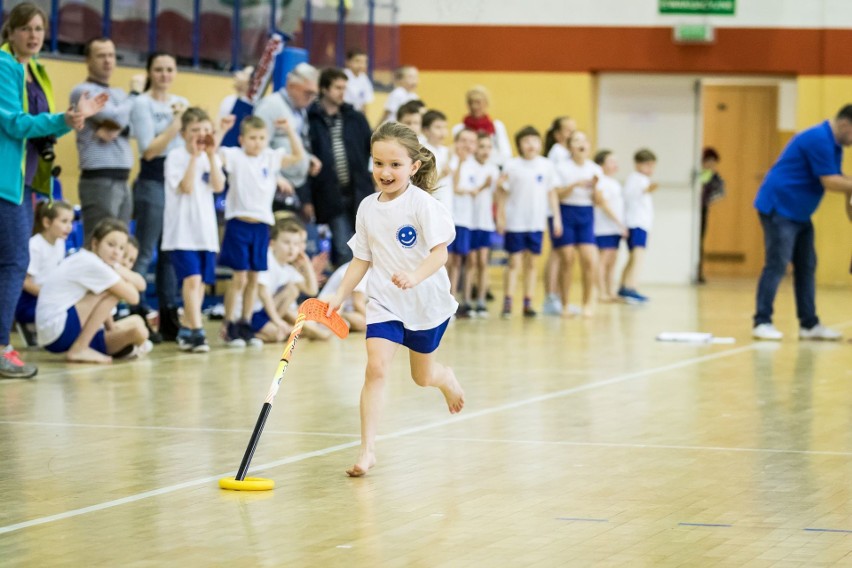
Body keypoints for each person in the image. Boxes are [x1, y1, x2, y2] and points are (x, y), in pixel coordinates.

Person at [326, 122, 465, 477]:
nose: (385, 172)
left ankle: (444, 378)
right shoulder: (368, 208)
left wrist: (415, 277)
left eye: (395, 165)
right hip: (385, 302)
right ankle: (367, 450)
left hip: (426, 303)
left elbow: (440, 255)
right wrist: (339, 295)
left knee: (422, 377)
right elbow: (361, 259)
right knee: (376, 368)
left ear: (413, 167)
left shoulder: (424, 205)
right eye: (378, 164)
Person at [0, 2, 106, 379]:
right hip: (3, 181)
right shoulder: (3, 66)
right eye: (25, 28)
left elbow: (40, 128)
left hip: (23, 181)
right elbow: (13, 123)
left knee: (10, 263)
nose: (33, 35)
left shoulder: (37, 71)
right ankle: (2, 347)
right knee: (13, 263)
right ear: (9, 31)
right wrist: (62, 118)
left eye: (39, 29)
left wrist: (71, 119)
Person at [751, 106, 852, 341]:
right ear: (846, 124)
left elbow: (839, 177)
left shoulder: (834, 144)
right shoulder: (819, 139)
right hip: (780, 208)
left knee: (807, 265)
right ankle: (762, 321)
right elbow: (829, 181)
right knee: (777, 264)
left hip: (799, 213)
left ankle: (809, 325)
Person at [218, 116, 305, 347]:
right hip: (239, 223)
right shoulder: (235, 156)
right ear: (242, 139)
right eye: (252, 138)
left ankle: (245, 324)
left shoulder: (270, 157)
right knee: (239, 278)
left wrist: (289, 131)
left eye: (261, 138)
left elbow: (298, 157)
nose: (257, 143)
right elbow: (214, 156)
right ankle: (229, 324)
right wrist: (221, 129)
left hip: (261, 226)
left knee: (254, 279)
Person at [129, 52, 189, 341]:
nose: (164, 74)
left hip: (176, 183)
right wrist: (176, 124)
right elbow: (149, 149)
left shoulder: (182, 103)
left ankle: (168, 314)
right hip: (152, 181)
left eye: (169, 69)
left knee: (170, 253)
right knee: (145, 249)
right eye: (159, 69)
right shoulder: (142, 103)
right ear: (150, 72)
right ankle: (135, 308)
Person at [36, 218, 150, 364]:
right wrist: (117, 268)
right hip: (58, 331)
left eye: (121, 248)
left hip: (59, 331)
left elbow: (141, 285)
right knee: (117, 296)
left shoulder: (90, 260)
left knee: (137, 322)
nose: (116, 252)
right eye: (111, 245)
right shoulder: (91, 262)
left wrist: (116, 268)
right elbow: (134, 297)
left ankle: (95, 344)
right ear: (95, 244)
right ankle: (80, 348)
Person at [162, 108, 226, 353]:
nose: (201, 134)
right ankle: (198, 333)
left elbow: (218, 185)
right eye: (195, 130)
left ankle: (188, 329)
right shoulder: (176, 157)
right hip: (181, 232)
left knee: (199, 286)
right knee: (192, 280)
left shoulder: (212, 157)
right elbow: (186, 187)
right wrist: (193, 157)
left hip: (205, 232)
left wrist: (209, 157)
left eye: (206, 130)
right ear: (183, 134)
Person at [71, 37, 143, 240]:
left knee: (119, 244)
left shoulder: (119, 95)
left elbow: (139, 128)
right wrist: (135, 94)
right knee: (98, 241)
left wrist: (117, 127)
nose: (108, 60)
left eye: (111, 55)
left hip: (123, 178)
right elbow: (117, 117)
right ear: (88, 60)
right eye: (101, 55)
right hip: (98, 178)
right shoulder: (82, 91)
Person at [307, 67, 373, 267]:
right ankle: (344, 292)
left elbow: (369, 147)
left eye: (344, 87)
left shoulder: (355, 117)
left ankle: (361, 294)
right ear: (324, 89)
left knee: (364, 245)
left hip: (358, 191)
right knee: (343, 246)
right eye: (337, 87)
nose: (342, 92)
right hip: (329, 192)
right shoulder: (311, 118)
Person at [496, 126, 562, 318]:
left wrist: (557, 218)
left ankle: (528, 302)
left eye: (534, 140)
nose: (530, 144)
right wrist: (500, 216)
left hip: (536, 223)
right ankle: (508, 302)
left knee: (532, 264)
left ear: (540, 144)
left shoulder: (546, 165)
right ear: (519, 145)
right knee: (514, 262)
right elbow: (502, 192)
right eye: (526, 141)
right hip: (515, 222)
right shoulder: (512, 165)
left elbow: (552, 192)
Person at [253, 62, 319, 219]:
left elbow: (296, 142)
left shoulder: (300, 110)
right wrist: (276, 177)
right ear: (291, 85)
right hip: (276, 187)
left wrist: (309, 159)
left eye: (314, 94)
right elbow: (258, 148)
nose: (311, 98)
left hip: (296, 183)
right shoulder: (270, 106)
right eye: (307, 92)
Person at [553, 130, 602, 318]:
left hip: (586, 213)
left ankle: (587, 303)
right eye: (576, 141)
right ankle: (564, 303)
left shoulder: (594, 169)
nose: (581, 144)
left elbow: (597, 200)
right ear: (570, 146)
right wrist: (575, 185)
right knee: (567, 260)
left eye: (584, 140)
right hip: (567, 212)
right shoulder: (562, 168)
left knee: (589, 260)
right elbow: (557, 194)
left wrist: (595, 187)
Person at [251, 219, 323, 342]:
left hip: (264, 314)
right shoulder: (267, 258)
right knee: (278, 334)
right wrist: (277, 320)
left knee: (292, 290)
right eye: (286, 243)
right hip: (252, 313)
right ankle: (248, 333)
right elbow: (263, 293)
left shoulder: (288, 268)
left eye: (296, 244)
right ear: (272, 244)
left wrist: (307, 265)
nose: (291, 249)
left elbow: (312, 291)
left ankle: (269, 330)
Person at [15, 200, 74, 346]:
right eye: (64, 221)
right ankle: (28, 324)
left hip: (45, 297)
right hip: (28, 301)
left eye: (71, 222)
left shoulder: (60, 243)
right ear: (47, 222)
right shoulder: (35, 245)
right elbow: (25, 282)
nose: (69, 227)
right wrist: (50, 295)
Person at [460, 133, 499, 316]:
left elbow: (497, 196)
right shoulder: (469, 167)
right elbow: (472, 191)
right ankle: (466, 299)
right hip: (470, 221)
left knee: (483, 261)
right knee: (471, 261)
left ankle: (481, 300)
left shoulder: (494, 170)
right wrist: (483, 186)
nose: (485, 151)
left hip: (485, 222)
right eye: (481, 146)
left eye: (488, 147)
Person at [542, 116, 577, 315]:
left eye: (574, 131)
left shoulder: (565, 153)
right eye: (567, 131)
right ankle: (551, 297)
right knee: (557, 254)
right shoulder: (558, 153)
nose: (571, 135)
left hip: (563, 208)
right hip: (556, 208)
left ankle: (554, 296)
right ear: (558, 134)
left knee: (558, 254)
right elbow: (556, 184)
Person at [619, 149, 658, 304]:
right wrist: (647, 189)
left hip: (640, 223)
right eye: (647, 165)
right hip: (636, 223)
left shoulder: (640, 179)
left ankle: (624, 286)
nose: (650, 169)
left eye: (652, 165)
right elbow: (631, 195)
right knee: (637, 256)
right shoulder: (636, 179)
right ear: (638, 164)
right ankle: (631, 287)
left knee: (633, 257)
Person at [446, 128, 477, 314]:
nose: (467, 145)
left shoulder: (476, 165)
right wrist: (458, 162)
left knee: (458, 260)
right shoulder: (450, 161)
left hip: (465, 219)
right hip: (449, 217)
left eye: (471, 141)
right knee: (445, 260)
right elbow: (456, 187)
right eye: (463, 140)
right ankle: (442, 299)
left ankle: (452, 298)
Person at [592, 150, 627, 302]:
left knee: (613, 260)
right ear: (601, 164)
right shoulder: (600, 181)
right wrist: (619, 223)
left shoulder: (614, 183)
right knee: (603, 260)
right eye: (611, 161)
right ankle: (601, 292)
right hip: (604, 227)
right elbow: (603, 204)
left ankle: (610, 290)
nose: (615, 165)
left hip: (614, 228)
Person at [452, 86, 512, 167]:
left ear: (486, 103)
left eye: (478, 102)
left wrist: (485, 159)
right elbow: (457, 154)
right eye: (471, 103)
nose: (474, 106)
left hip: (492, 168)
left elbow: (506, 154)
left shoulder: (497, 126)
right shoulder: (459, 128)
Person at [698, 147, 726, 284]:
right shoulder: (697, 173)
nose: (711, 165)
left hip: (702, 210)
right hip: (691, 212)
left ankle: (699, 272)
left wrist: (709, 201)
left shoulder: (714, 177)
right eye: (709, 161)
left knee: (700, 241)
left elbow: (721, 192)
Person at [319, 261, 368, 332]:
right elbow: (358, 303)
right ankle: (330, 321)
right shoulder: (359, 267)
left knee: (364, 323)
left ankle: (341, 320)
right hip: (328, 304)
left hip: (346, 308)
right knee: (365, 323)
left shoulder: (370, 269)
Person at [422, 110, 453, 213]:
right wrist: (442, 175)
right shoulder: (423, 152)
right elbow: (424, 185)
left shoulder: (446, 151)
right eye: (438, 127)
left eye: (444, 127)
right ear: (426, 130)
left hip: (447, 206)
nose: (443, 132)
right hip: (430, 207)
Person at [343, 49, 373, 113]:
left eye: (364, 62)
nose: (361, 65)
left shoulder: (364, 78)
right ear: (348, 62)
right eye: (357, 61)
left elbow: (364, 103)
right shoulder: (342, 76)